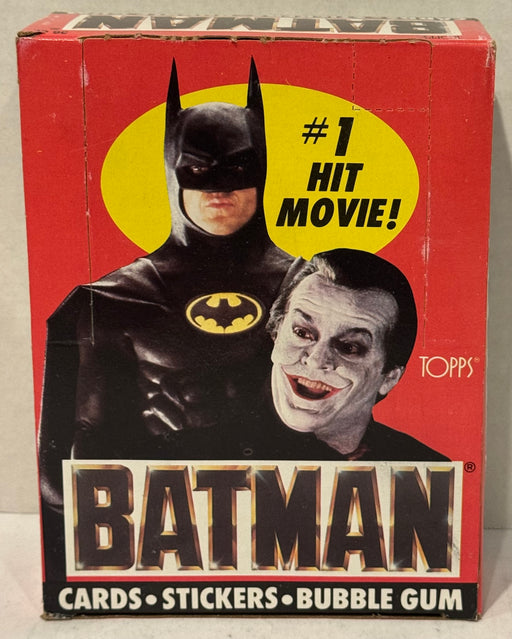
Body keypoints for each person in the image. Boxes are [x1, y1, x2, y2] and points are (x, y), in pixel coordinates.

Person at [38, 59, 292, 513]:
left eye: (237, 167)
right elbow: (63, 472)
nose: (219, 188)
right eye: (197, 170)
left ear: (262, 170)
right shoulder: (112, 300)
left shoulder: (312, 289)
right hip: (159, 521)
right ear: (173, 172)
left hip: (285, 515)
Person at [177, 248, 448, 461]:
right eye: (302, 332)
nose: (317, 360)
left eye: (349, 347)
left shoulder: (426, 471)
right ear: (275, 335)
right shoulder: (185, 458)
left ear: (389, 377)